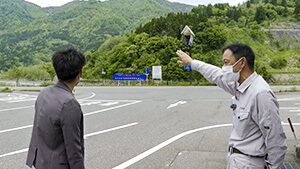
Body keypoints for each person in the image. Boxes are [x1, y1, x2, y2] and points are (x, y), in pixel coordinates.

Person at [176, 43, 287, 169]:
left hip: (250, 163)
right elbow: (216, 75)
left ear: (242, 63)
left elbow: (275, 138)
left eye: (226, 62)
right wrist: (192, 63)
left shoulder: (260, 94)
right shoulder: (239, 86)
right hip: (237, 160)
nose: (224, 68)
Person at [26, 47, 86, 169]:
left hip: (40, 162)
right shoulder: (69, 103)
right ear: (80, 73)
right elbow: (74, 149)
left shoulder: (44, 93)